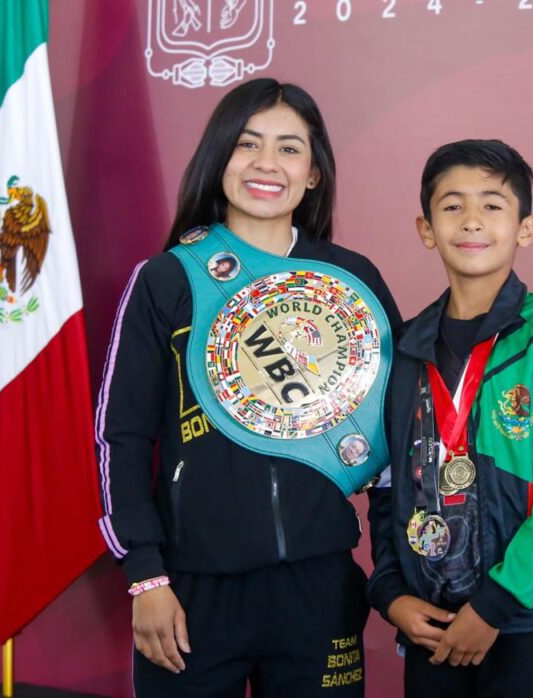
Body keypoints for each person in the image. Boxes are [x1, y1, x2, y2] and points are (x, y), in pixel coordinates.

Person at [96, 78, 400, 697]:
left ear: (313, 174)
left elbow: (399, 437)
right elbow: (120, 437)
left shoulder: (353, 280)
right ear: (219, 158)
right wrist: (146, 575)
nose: (267, 163)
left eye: (289, 148)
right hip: (191, 589)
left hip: (319, 586)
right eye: (247, 144)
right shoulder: (167, 279)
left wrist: (396, 576)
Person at [367, 139, 533, 697]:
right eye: (452, 205)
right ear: (426, 228)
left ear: (526, 228)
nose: (471, 220)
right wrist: (390, 592)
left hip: (529, 613)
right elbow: (386, 489)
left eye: (492, 205)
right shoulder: (403, 348)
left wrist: (496, 604)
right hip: (430, 620)